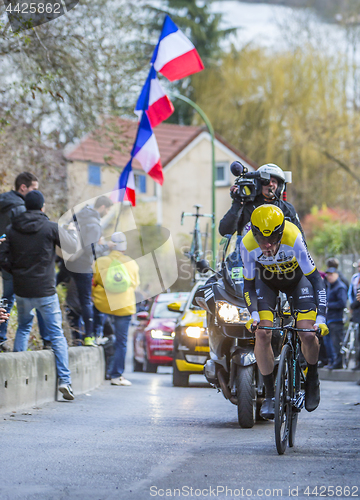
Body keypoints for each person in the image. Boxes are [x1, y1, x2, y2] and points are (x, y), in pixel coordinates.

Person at [240, 205, 328, 419]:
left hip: (298, 281)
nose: (267, 246)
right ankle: (270, 395)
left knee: (307, 334)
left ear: (280, 233)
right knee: (262, 333)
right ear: (254, 234)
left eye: (272, 241)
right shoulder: (247, 245)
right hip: (267, 283)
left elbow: (317, 280)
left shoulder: (293, 237)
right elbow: (249, 286)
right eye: (262, 240)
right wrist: (253, 315)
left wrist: (322, 317)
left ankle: (312, 377)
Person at [0, 190, 78, 400]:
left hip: (22, 290)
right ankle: (65, 381)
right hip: (45, 289)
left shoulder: (12, 229)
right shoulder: (50, 227)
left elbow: (2, 256)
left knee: (24, 327)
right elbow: (72, 247)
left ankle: (15, 377)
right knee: (55, 334)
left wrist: (14, 270)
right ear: (43, 207)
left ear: (25, 206)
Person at [0, 172, 50, 351]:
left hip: (3, 258)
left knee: (7, 297)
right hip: (20, 262)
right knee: (36, 300)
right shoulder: (21, 208)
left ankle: (0, 337)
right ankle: (48, 340)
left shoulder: (3, 201)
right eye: (34, 189)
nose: (36, 192)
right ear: (23, 188)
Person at [65, 196, 113, 347]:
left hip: (69, 263)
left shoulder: (78, 217)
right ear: (103, 207)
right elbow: (90, 249)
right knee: (86, 301)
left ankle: (75, 336)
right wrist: (107, 246)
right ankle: (88, 337)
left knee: (72, 300)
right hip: (84, 266)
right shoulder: (94, 224)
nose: (108, 212)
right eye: (108, 209)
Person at [92, 231, 140, 386]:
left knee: (96, 338)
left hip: (102, 305)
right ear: (124, 248)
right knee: (121, 341)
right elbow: (134, 284)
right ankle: (116, 375)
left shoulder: (100, 261)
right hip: (124, 306)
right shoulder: (131, 263)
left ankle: (96, 372)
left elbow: (95, 280)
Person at [219, 163, 303, 237]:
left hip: (279, 253)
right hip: (248, 253)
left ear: (279, 186)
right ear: (258, 185)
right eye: (265, 181)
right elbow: (225, 231)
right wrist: (237, 203)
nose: (270, 184)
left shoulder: (286, 208)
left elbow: (299, 237)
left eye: (274, 181)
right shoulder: (247, 207)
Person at [324, 267, 347, 370]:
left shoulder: (340, 287)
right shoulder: (330, 286)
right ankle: (332, 361)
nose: (329, 277)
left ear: (336, 275)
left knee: (335, 342)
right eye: (328, 274)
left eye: (331, 274)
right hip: (329, 319)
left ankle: (337, 362)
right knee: (328, 342)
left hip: (336, 319)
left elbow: (342, 303)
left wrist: (328, 305)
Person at [348, 260, 360, 371]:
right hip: (357, 311)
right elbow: (351, 293)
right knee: (357, 339)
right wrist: (352, 306)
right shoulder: (355, 278)